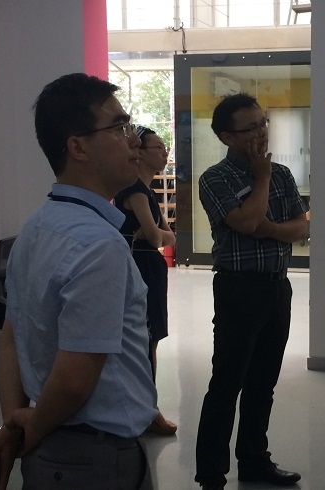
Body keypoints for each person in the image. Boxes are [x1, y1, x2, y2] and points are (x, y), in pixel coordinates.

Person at [0, 73, 158, 490]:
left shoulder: (35, 229)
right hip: (94, 458)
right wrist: (30, 430)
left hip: (53, 447)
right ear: (78, 147)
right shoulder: (99, 245)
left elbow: (12, 337)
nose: (134, 140)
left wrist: (15, 427)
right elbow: (75, 380)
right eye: (119, 127)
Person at [194, 93, 310, 490]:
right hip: (238, 289)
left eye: (263, 123)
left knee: (264, 383)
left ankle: (254, 461)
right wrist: (260, 179)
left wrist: (269, 229)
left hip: (277, 287)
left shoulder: (283, 174)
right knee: (227, 383)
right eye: (251, 128)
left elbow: (301, 227)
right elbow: (245, 223)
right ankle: (211, 474)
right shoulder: (215, 178)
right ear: (226, 137)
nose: (261, 133)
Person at [115, 125, 178, 436]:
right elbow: (156, 238)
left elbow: (169, 237)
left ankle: (145, 407)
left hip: (151, 266)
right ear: (139, 153)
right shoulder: (135, 191)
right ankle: (147, 410)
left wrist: (156, 233)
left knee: (150, 339)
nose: (165, 153)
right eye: (159, 148)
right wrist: (155, 234)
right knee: (144, 339)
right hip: (141, 267)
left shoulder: (148, 192)